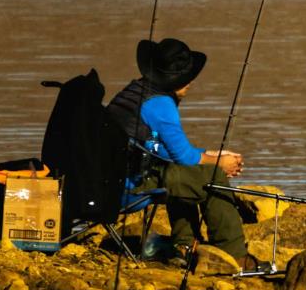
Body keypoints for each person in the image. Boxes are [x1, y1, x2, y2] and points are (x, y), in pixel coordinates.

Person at [106, 38, 256, 271]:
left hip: (113, 180)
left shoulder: (135, 91)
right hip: (130, 186)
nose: (191, 82)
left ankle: (183, 246)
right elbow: (184, 158)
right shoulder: (160, 105)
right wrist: (219, 163)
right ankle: (234, 256)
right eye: (186, 78)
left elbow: (158, 148)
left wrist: (207, 154)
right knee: (212, 177)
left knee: (187, 175)